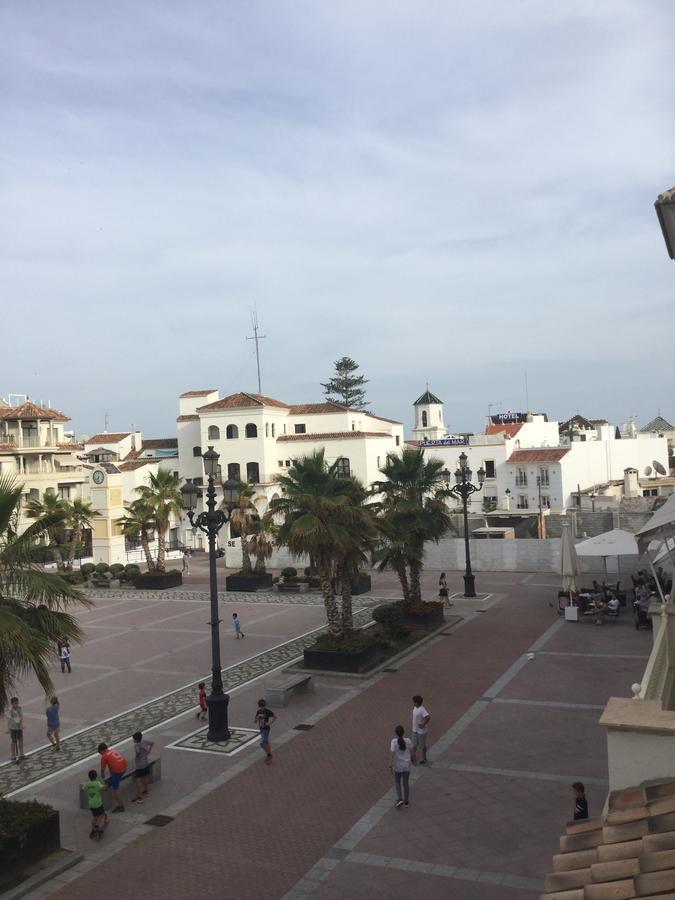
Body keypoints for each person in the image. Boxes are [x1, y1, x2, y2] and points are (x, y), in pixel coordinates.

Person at [389, 724, 416, 808]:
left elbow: (392, 754)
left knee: (397, 782)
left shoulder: (394, 742)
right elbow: (412, 751)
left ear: (396, 733)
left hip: (398, 765)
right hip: (407, 765)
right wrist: (413, 760)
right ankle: (406, 801)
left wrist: (390, 764)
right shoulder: (408, 740)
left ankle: (399, 798)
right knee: (405, 782)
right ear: (403, 732)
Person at [98, 742, 128, 812]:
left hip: (118, 771)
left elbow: (102, 770)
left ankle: (121, 806)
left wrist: (102, 776)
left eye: (100, 753)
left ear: (102, 750)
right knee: (113, 774)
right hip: (124, 767)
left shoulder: (104, 756)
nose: (101, 754)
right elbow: (111, 763)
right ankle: (113, 779)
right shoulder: (112, 750)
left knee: (115, 789)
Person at [82, 769, 108, 839]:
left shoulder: (87, 784)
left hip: (91, 804)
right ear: (96, 776)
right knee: (101, 814)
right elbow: (104, 789)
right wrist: (106, 786)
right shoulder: (97, 783)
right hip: (98, 803)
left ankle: (93, 829)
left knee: (95, 816)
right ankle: (97, 826)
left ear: (89, 777)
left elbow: (82, 790)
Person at [132, 731, 154, 803]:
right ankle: (146, 790)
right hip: (145, 763)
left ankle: (140, 796)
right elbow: (152, 743)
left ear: (136, 739)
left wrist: (137, 757)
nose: (133, 740)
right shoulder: (144, 741)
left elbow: (138, 753)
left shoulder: (137, 745)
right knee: (145, 777)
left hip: (139, 765)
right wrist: (148, 752)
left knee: (138, 780)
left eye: (133, 739)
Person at [254, 698, 276, 763]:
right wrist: (257, 718)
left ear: (264, 706)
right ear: (259, 706)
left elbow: (275, 717)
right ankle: (269, 756)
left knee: (262, 743)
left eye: (263, 707)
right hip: (261, 729)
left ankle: (269, 755)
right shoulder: (258, 712)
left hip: (266, 729)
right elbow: (255, 721)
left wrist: (269, 723)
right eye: (261, 707)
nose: (262, 708)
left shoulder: (267, 711)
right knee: (266, 743)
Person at [412, 695, 431, 764]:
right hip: (414, 730)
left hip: (422, 732)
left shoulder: (422, 709)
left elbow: (428, 717)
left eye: (414, 702)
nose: (413, 703)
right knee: (414, 745)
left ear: (417, 703)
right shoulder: (415, 707)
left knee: (422, 746)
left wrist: (423, 724)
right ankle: (413, 757)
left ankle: (424, 758)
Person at [7, 697, 25, 763]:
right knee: (14, 742)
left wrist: (21, 724)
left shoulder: (19, 708)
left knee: (21, 740)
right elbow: (8, 720)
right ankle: (13, 755)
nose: (17, 704)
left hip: (19, 728)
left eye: (17, 703)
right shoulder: (10, 711)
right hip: (13, 728)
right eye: (15, 703)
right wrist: (8, 728)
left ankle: (21, 754)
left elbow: (21, 717)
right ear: (12, 704)